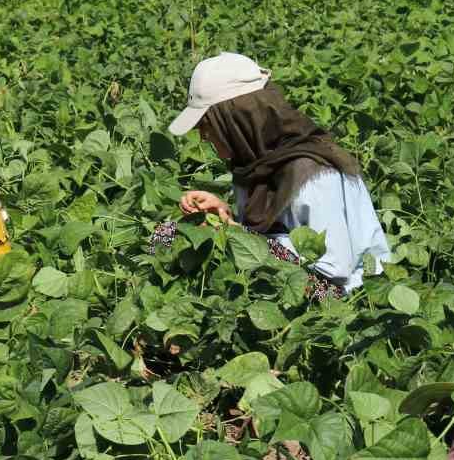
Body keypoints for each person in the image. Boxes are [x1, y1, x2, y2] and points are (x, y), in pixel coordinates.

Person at [167, 53, 391, 294]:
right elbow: (269, 235)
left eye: (206, 125)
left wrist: (233, 232)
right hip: (285, 276)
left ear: (234, 123)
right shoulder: (254, 163)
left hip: (342, 294)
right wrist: (224, 214)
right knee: (168, 232)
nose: (202, 136)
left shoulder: (313, 176)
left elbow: (334, 268)